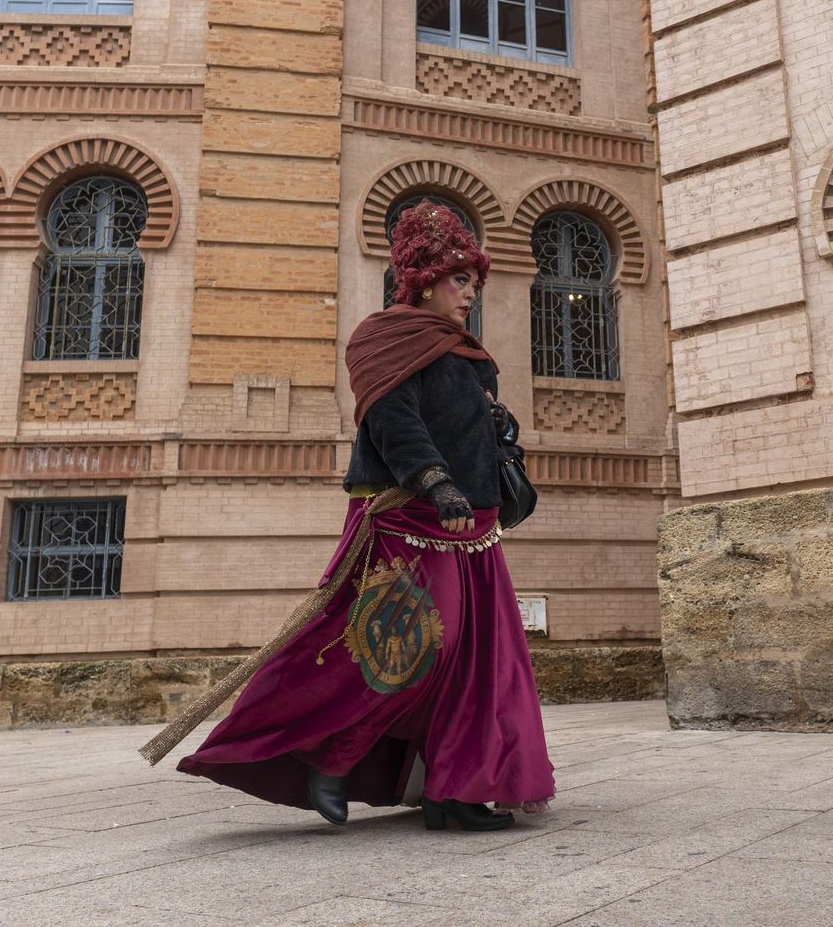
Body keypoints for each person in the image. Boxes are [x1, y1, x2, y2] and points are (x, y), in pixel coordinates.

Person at [174, 199, 555, 831]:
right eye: (461, 281)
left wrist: (497, 428)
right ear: (426, 281)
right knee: (411, 649)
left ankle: (454, 793)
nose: (469, 295)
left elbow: (478, 428)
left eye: (474, 284)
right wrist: (435, 482)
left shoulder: (469, 353)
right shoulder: (382, 338)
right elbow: (392, 420)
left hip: (474, 528)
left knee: (480, 663)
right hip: (409, 518)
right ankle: (330, 759)